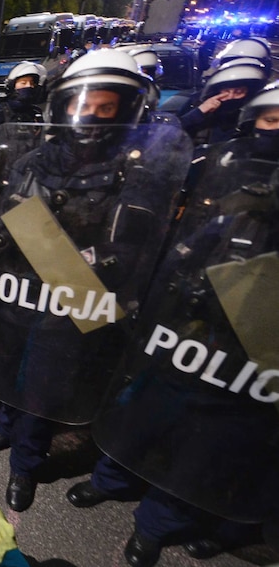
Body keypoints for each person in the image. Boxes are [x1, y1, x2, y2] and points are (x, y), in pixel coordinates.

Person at [65, 81, 279, 567]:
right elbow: (180, 250)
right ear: (253, 124)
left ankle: (155, 526)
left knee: (204, 444)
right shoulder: (228, 193)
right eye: (271, 120)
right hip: (183, 336)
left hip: (251, 355)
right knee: (143, 416)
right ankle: (110, 482)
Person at [0, 49, 189, 513]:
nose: (91, 115)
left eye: (107, 107)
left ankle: (24, 465)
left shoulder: (139, 172)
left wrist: (82, 261)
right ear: (62, 105)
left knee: (45, 385)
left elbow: (134, 250)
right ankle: (5, 428)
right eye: (83, 104)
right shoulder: (32, 161)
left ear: (130, 110)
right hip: (18, 290)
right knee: (8, 367)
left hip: (74, 300)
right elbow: (4, 220)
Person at [0, 61, 46, 166]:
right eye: (23, 83)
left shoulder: (35, 113)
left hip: (29, 172)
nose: (29, 86)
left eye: (32, 83)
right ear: (12, 86)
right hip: (1, 173)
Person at [178, 58, 267, 145]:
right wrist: (200, 111)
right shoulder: (196, 102)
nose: (231, 96)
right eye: (226, 91)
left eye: (238, 92)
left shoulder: (255, 115)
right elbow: (170, 132)